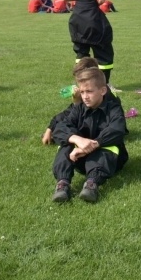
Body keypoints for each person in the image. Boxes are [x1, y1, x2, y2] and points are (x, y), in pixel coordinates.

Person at [51, 67, 128, 203]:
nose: (85, 96)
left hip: (109, 161)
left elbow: (117, 129)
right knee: (65, 144)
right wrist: (77, 140)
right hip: (81, 157)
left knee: (108, 148)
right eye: (82, 92)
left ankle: (92, 184)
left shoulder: (113, 108)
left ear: (103, 90)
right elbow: (60, 127)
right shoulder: (79, 108)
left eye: (89, 91)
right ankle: (63, 183)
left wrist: (93, 144)